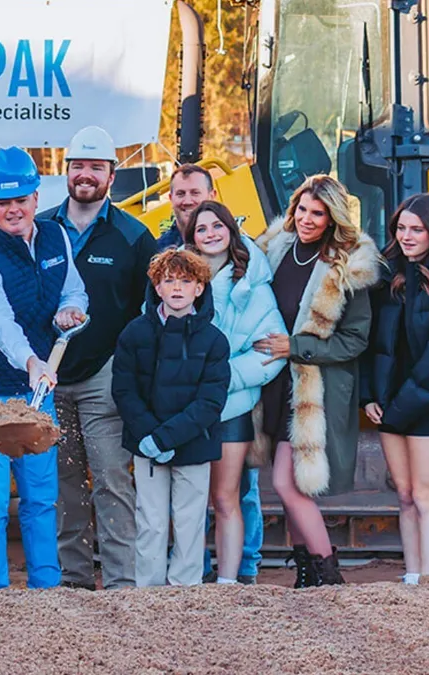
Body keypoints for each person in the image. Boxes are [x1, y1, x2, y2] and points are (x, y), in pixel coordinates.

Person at [0, 146, 88, 589]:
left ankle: (46, 593)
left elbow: (74, 290)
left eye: (21, 199)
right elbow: (0, 326)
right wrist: (32, 362)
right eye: (2, 202)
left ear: (34, 196)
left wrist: (70, 310)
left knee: (41, 497)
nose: (13, 209)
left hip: (33, 392)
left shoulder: (56, 237)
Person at [40, 125, 157, 590]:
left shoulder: (133, 235)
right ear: (67, 172)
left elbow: (149, 309)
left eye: (96, 168)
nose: (85, 175)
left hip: (104, 376)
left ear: (111, 175)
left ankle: (121, 583)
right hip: (49, 376)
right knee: (65, 482)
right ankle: (73, 578)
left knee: (111, 478)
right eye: (78, 167)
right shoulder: (42, 228)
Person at [253, 175, 379, 587]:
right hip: (272, 382)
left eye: (318, 213)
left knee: (285, 482)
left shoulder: (347, 266)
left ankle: (327, 570)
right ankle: (307, 570)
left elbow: (354, 340)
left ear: (332, 218)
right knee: (290, 485)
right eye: (302, 210)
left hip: (312, 386)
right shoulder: (274, 249)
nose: (307, 219)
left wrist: (298, 348)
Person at [181, 202, 287, 585]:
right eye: (201, 228)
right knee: (189, 501)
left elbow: (269, 353)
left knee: (227, 497)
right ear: (190, 236)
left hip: (231, 409)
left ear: (231, 229)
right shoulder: (175, 280)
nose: (210, 234)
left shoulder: (254, 288)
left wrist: (218, 380)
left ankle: (229, 582)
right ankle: (190, 577)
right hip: (183, 409)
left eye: (217, 226)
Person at [113, 248, 229, 587]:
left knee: (190, 520)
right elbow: (124, 390)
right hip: (146, 445)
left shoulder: (213, 340)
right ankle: (148, 592)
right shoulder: (135, 333)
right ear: (157, 287)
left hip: (193, 444)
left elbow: (210, 400)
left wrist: (167, 437)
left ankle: (185, 590)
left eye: (185, 281)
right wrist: (149, 436)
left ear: (199, 288)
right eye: (168, 281)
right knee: (151, 520)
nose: (177, 288)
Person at [362, 194, 429, 584]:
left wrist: (402, 405)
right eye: (401, 228)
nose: (406, 236)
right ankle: (412, 575)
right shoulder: (388, 277)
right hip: (390, 402)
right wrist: (371, 395)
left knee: (426, 492)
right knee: (403, 493)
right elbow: (372, 343)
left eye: (416, 229)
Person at [156, 164, 217, 250]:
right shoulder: (157, 251)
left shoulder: (234, 244)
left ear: (212, 196)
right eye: (180, 194)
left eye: (195, 193)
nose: (187, 201)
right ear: (171, 198)